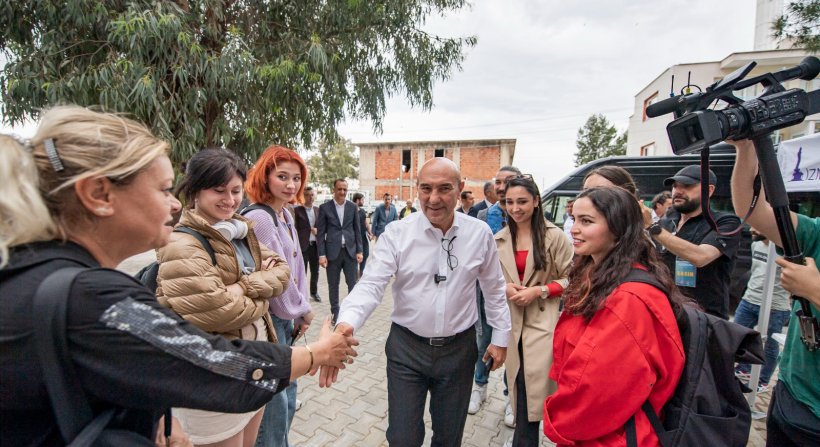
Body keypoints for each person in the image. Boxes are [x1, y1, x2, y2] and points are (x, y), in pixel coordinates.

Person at [0, 106, 356, 446]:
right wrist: (319, 354)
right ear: (98, 195)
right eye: (163, 189)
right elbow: (212, 362)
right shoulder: (93, 298)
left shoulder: (35, 270)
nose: (174, 204)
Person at [323, 158, 512, 447]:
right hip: (406, 350)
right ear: (417, 189)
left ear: (460, 188)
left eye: (444, 189)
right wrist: (346, 324)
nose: (433, 199)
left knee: (449, 438)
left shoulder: (479, 233)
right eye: (426, 189)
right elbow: (371, 284)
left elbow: (494, 289)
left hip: (459, 350)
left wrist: (500, 337)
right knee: (402, 437)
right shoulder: (398, 233)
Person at [155, 147, 294, 446]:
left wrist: (242, 286)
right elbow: (217, 309)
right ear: (194, 190)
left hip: (253, 365)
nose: (230, 200)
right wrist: (259, 287)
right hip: (214, 376)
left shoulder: (241, 231)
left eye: (235, 191)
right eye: (219, 191)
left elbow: (283, 272)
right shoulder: (181, 244)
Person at [543, 186, 686, 446]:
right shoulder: (599, 275)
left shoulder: (625, 300)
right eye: (574, 219)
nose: (573, 228)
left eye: (586, 221)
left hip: (610, 434)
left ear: (618, 230)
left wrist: (557, 418)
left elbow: (597, 393)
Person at [730, 139, 820, 447]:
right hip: (792, 394)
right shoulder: (817, 232)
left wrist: (815, 291)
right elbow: (752, 211)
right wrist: (746, 149)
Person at [243, 146, 316, 447]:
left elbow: (295, 266)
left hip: (285, 321)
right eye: (282, 176)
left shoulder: (283, 213)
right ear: (265, 177)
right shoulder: (261, 217)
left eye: (296, 178)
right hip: (271, 322)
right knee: (273, 412)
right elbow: (277, 281)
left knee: (286, 401)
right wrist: (302, 308)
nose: (290, 184)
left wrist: (298, 312)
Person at [495, 175, 572, 447]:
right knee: (517, 387)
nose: (515, 208)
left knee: (532, 394)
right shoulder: (499, 239)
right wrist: (505, 288)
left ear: (537, 202)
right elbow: (489, 280)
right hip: (511, 325)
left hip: (542, 325)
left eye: (522, 202)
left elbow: (571, 278)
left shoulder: (555, 237)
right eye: (510, 202)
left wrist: (540, 290)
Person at [646, 165, 741, 319]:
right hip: (666, 312)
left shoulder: (724, 222)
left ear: (709, 190)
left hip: (704, 318)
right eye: (675, 186)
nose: (678, 191)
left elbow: (701, 257)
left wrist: (652, 227)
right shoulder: (667, 221)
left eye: (687, 186)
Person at [472, 165, 521, 428]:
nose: (502, 187)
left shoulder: (527, 216)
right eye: (498, 182)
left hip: (519, 296)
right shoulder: (482, 215)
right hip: (487, 294)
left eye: (509, 181)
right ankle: (479, 387)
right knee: (483, 342)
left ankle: (510, 398)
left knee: (514, 347)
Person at [732, 228, 791, 393]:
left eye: (757, 225)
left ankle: (763, 380)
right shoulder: (756, 245)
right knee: (738, 336)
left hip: (775, 306)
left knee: (770, 346)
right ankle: (744, 367)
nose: (751, 229)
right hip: (749, 299)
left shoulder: (784, 251)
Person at [316, 179, 363, 323]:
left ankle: (350, 311)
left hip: (350, 252)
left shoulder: (352, 207)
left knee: (352, 283)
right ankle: (335, 312)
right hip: (332, 253)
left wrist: (359, 250)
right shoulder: (324, 208)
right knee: (333, 284)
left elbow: (357, 229)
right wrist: (322, 254)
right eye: (339, 189)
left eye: (345, 189)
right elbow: (320, 233)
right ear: (334, 190)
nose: (342, 192)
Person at [582, 165, 653, 227]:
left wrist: (651, 227)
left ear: (627, 195)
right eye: (586, 191)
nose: (589, 197)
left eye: (600, 192)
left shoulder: (648, 231)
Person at [294, 186, 321, 302]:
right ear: (303, 196)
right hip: (303, 245)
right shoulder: (297, 210)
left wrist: (318, 231)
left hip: (315, 246)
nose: (310, 197)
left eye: (311, 195)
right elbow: (294, 228)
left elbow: (323, 227)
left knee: (315, 271)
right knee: (302, 271)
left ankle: (314, 293)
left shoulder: (318, 210)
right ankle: (301, 293)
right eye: (307, 195)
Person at [352, 192, 373, 276]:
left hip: (363, 237)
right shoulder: (350, 211)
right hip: (354, 238)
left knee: (366, 253)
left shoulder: (362, 211)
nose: (363, 201)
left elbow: (366, 223)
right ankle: (355, 272)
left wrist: (370, 232)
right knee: (355, 256)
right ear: (357, 200)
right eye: (362, 200)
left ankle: (361, 271)